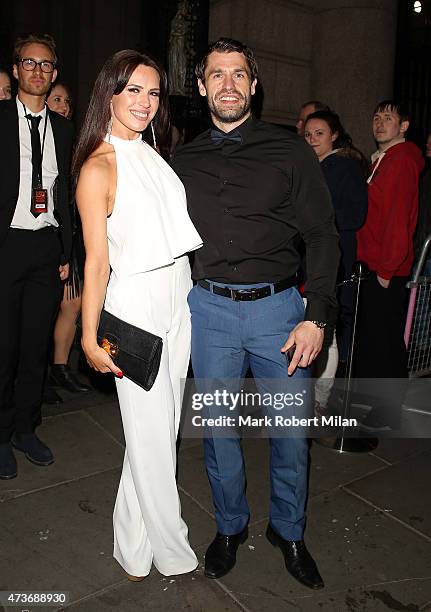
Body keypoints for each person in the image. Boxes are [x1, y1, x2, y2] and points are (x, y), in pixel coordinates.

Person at [172, 38, 339, 589]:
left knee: (290, 436)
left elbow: (321, 235)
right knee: (219, 433)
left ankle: (289, 530)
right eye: (216, 75)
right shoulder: (184, 158)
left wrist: (317, 314)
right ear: (202, 87)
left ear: (253, 84)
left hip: (281, 314)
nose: (227, 84)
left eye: (238, 74)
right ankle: (229, 526)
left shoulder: (289, 151)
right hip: (210, 312)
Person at [74, 49, 202, 579]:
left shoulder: (154, 153)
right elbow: (97, 260)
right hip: (137, 307)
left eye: (153, 93)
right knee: (152, 437)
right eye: (134, 91)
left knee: (159, 431)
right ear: (110, 92)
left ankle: (132, 545)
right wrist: (88, 336)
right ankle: (172, 551)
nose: (146, 103)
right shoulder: (98, 167)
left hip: (178, 297)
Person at [0, 34, 73, 480]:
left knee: (34, 347)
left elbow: (67, 195)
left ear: (54, 73)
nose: (38, 71)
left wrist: (67, 249)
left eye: (46, 65)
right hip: (6, 245)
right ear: (16, 70)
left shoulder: (64, 129)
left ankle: (26, 428)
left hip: (46, 249)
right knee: (3, 347)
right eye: (30, 63)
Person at [355, 101, 424, 430]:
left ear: (404, 126)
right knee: (374, 338)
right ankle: (374, 403)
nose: (380, 123)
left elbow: (398, 220)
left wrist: (385, 270)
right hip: (373, 263)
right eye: (376, 116)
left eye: (389, 118)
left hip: (386, 268)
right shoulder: (383, 161)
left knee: (386, 341)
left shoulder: (401, 160)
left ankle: (388, 411)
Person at [304, 110, 367, 391]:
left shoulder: (343, 167)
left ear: (334, 135)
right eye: (308, 134)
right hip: (313, 257)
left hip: (334, 257)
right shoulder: (313, 166)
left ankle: (320, 398)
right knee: (313, 323)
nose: (313, 139)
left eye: (319, 133)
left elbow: (355, 214)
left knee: (323, 325)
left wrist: (316, 224)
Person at [46, 81, 89, 399]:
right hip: (45, 235)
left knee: (72, 304)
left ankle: (60, 367)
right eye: (56, 99)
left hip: (72, 235)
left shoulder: (72, 142)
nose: (63, 105)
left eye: (67, 101)